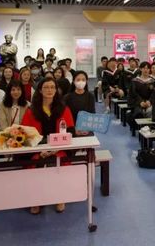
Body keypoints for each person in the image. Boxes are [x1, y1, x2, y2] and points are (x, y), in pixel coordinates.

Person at [22, 78, 75, 214]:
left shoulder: (64, 109)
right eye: (46, 87)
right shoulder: (31, 110)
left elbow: (70, 132)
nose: (49, 90)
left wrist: (54, 149)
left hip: (59, 148)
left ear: (56, 90)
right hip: (36, 149)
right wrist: (42, 149)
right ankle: (36, 199)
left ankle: (59, 197)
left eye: (52, 87)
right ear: (40, 90)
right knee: (35, 164)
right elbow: (26, 135)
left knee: (60, 163)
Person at [63, 71, 96, 136]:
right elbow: (65, 116)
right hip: (71, 129)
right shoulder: (67, 97)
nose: (81, 82)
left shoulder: (90, 96)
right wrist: (73, 129)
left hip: (87, 128)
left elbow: (92, 114)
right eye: (78, 80)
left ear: (86, 81)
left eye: (83, 80)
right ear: (73, 81)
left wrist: (87, 128)